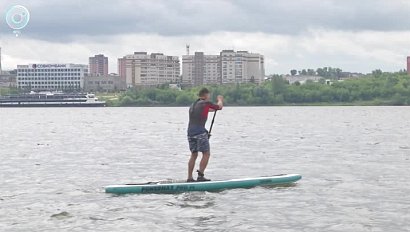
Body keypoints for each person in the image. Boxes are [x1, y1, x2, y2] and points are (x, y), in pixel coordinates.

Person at [187, 88, 224, 182]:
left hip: (190, 133)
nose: (209, 97)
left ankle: (190, 177)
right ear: (205, 95)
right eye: (209, 95)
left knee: (194, 154)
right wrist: (220, 100)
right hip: (200, 133)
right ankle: (200, 176)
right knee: (206, 153)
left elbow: (208, 110)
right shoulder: (205, 103)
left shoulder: (193, 105)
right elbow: (219, 107)